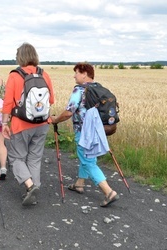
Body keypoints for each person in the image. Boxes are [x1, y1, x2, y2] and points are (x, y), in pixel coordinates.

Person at [50, 62, 119, 207]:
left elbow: (69, 112)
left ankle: (108, 192)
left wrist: (55, 119)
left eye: (76, 72)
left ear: (84, 74)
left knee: (87, 161)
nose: (74, 76)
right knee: (88, 157)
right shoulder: (98, 88)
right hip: (96, 132)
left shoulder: (79, 91)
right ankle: (79, 184)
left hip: (84, 133)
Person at [1, 42, 55, 206]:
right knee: (35, 157)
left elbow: (8, 103)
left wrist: (4, 123)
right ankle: (34, 187)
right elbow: (51, 100)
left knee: (16, 157)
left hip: (21, 124)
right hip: (42, 123)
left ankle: (30, 186)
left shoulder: (15, 75)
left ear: (20, 57)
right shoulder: (44, 74)